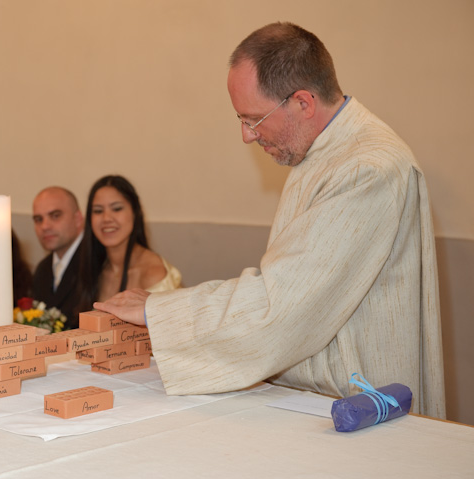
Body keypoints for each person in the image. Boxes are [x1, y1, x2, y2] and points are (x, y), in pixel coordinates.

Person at [95, 22, 445, 418]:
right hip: (315, 400)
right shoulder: (319, 152)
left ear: (303, 103)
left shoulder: (366, 169)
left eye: (254, 119)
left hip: (355, 406)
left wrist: (161, 312)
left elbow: (284, 305)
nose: (247, 136)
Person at [79, 175, 181, 319]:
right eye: (98, 211)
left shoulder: (153, 273)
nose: (106, 218)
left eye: (117, 209)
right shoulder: (93, 268)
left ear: (135, 212)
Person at [31, 187, 85, 328]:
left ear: (78, 219)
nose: (45, 226)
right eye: (38, 219)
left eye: (55, 215)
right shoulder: (42, 268)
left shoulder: (98, 263)